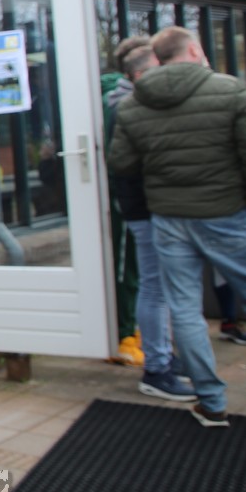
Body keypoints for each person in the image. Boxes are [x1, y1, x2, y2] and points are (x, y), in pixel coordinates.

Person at [109, 25, 246, 427]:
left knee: (184, 308)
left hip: (169, 218)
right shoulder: (230, 91)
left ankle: (211, 402)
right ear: (193, 50)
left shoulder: (134, 105)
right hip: (229, 213)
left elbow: (122, 163)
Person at [105, 38, 194, 400]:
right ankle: (154, 362)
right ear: (142, 73)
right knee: (150, 285)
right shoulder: (124, 106)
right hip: (142, 209)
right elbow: (123, 163)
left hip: (156, 207)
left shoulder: (135, 103)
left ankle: (163, 356)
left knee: (160, 286)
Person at [100, 35, 150, 367]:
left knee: (139, 269)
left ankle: (134, 327)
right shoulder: (117, 102)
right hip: (124, 198)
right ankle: (122, 334)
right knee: (124, 267)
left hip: (141, 199)